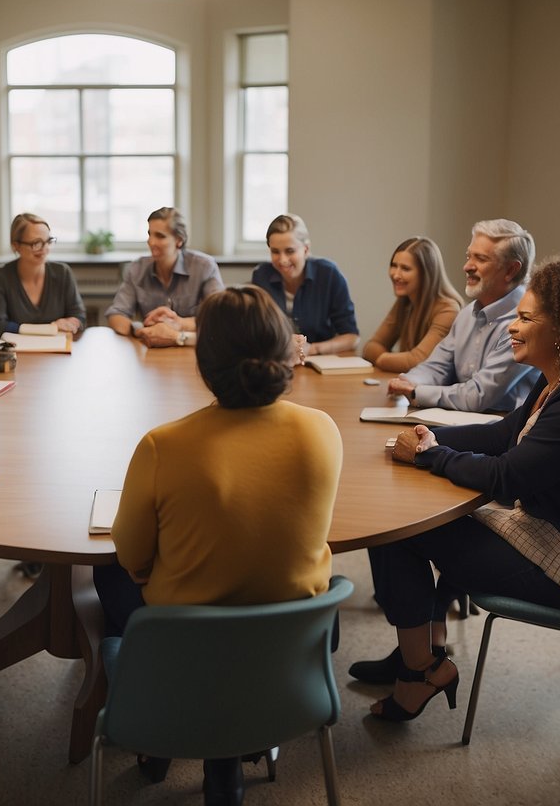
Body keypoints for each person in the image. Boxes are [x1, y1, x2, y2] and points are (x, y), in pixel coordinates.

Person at [360, 258, 560, 723]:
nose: (511, 329)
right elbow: (503, 435)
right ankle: (420, 651)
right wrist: (425, 433)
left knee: (397, 530)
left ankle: (418, 668)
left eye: (524, 319)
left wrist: (429, 456)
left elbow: (508, 476)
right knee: (400, 522)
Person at [94, 285, 343, 804]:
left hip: (185, 655)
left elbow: (132, 557)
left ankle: (165, 733)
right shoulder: (322, 432)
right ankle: (230, 750)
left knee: (107, 576)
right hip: (288, 656)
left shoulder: (165, 445)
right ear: (285, 354)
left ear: (204, 364)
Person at [385, 219, 540, 412]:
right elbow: (437, 366)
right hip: (463, 420)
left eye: (480, 259)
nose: (467, 267)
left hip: (503, 430)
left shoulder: (526, 322)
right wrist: (407, 381)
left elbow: (478, 396)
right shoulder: (467, 314)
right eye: (469, 257)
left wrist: (417, 391)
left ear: (511, 270)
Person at [104, 207, 224, 348]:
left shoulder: (204, 267)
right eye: (150, 234)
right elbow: (116, 314)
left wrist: (178, 323)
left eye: (160, 236)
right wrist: (143, 329)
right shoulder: (137, 268)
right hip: (151, 351)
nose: (151, 242)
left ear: (179, 240)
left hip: (192, 349)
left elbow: (220, 316)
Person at [251, 213, 359, 356]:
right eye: (275, 252)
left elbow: (351, 338)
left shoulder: (328, 274)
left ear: (306, 249)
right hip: (277, 362)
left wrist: (313, 349)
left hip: (319, 362)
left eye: (290, 251)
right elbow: (255, 332)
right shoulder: (261, 276)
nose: (283, 260)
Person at [361, 236, 462, 372]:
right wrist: (394, 360)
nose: (396, 275)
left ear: (426, 274)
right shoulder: (405, 300)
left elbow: (417, 361)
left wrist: (380, 359)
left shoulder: (448, 310)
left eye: (405, 269)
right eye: (393, 266)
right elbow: (371, 347)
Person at [0, 213, 86, 339]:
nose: (44, 249)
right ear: (16, 245)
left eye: (48, 241)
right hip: (17, 353)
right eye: (36, 243)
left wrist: (72, 323)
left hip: (56, 351)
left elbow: (79, 316)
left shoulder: (63, 272)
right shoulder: (0, 277)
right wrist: (48, 328)